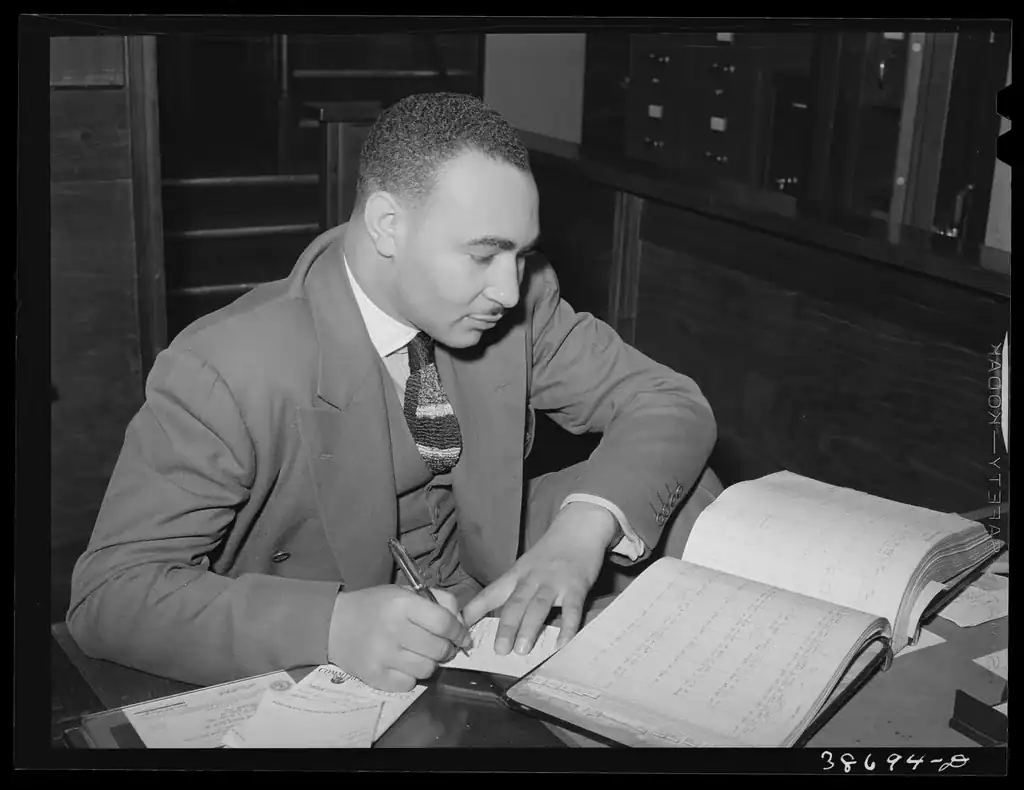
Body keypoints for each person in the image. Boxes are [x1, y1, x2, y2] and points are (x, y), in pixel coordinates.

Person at [67, 92, 721, 693]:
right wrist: (331, 626)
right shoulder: (225, 368)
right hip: (330, 654)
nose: (508, 290)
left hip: (483, 595)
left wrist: (582, 531)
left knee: (691, 498)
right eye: (483, 255)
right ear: (387, 225)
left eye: (521, 255)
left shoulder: (523, 303)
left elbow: (669, 402)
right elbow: (109, 596)